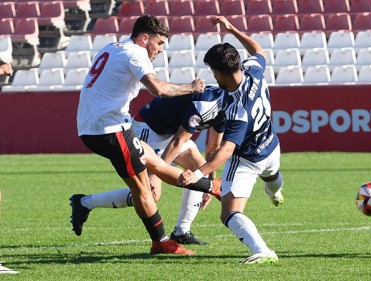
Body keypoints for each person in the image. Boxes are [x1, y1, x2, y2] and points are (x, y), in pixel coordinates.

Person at [76, 15, 217, 255]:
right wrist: (192, 88)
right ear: (145, 38)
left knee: (155, 162)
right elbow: (158, 89)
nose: (161, 49)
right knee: (145, 189)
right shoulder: (136, 53)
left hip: (104, 124)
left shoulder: (114, 46)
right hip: (109, 128)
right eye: (160, 42)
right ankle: (161, 242)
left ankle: (214, 188)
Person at [178, 16, 284, 264]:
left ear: (218, 72)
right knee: (272, 179)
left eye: (213, 72)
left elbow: (226, 149)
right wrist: (232, 29)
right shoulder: (253, 71)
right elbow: (258, 50)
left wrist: (199, 173)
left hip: (246, 159)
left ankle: (262, 251)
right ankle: (275, 192)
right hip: (271, 146)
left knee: (229, 213)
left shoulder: (236, 106)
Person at [72, 85, 225, 245]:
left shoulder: (226, 108)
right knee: (150, 193)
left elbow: (213, 148)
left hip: (171, 132)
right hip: (149, 128)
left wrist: (210, 180)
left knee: (200, 171)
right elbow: (179, 140)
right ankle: (85, 202)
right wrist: (157, 175)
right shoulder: (208, 103)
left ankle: (182, 232)